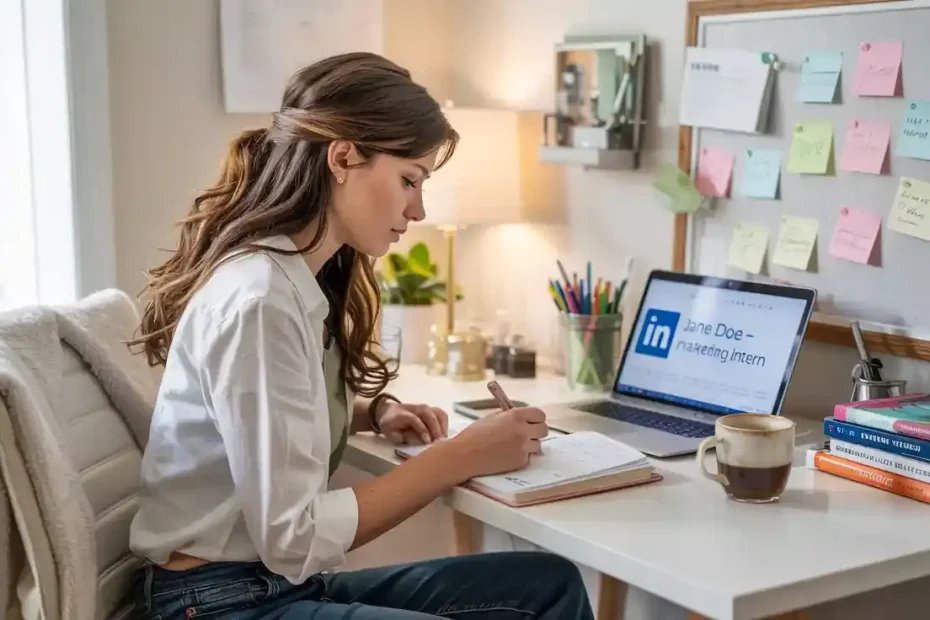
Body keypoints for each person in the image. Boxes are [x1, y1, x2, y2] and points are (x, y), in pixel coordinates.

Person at [127, 52, 595, 620]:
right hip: (218, 602)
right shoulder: (258, 301)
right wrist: (460, 455)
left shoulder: (293, 280)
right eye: (408, 180)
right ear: (343, 157)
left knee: (548, 583)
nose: (417, 209)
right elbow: (293, 538)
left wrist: (371, 411)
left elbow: (264, 421)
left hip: (273, 588)